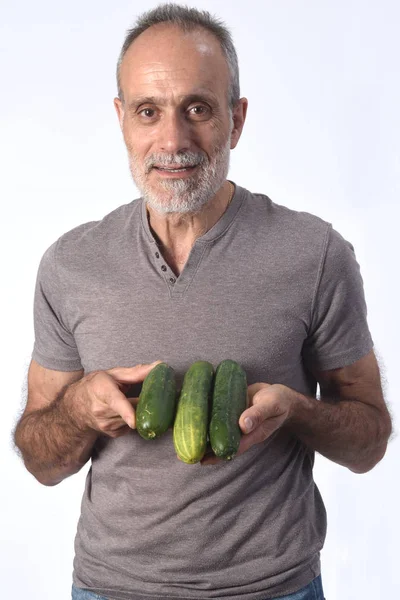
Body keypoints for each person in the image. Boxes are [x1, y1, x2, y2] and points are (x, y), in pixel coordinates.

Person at [14, 4, 392, 600]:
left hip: (275, 588)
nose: (173, 140)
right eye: (148, 111)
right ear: (121, 121)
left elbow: (370, 441)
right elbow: (41, 461)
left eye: (198, 108)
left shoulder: (314, 254)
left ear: (236, 121)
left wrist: (296, 410)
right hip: (111, 589)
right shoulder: (71, 264)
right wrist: (79, 410)